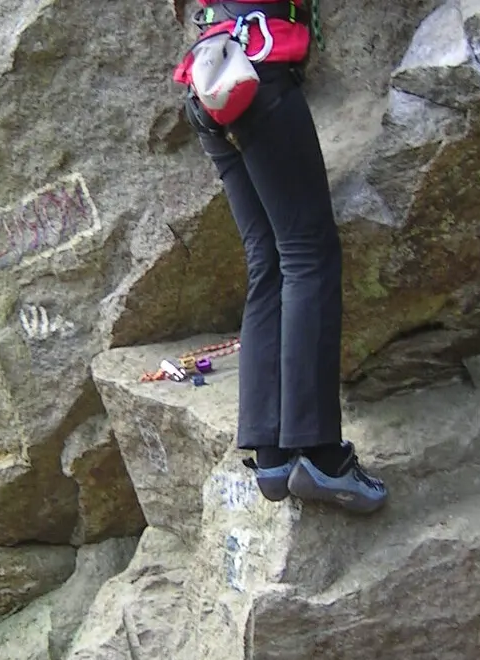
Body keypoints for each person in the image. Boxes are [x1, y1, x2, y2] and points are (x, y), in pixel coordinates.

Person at [172, 1, 387, 513]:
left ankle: (272, 456)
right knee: (307, 254)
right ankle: (320, 456)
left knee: (268, 258)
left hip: (212, 76)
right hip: (258, 72)